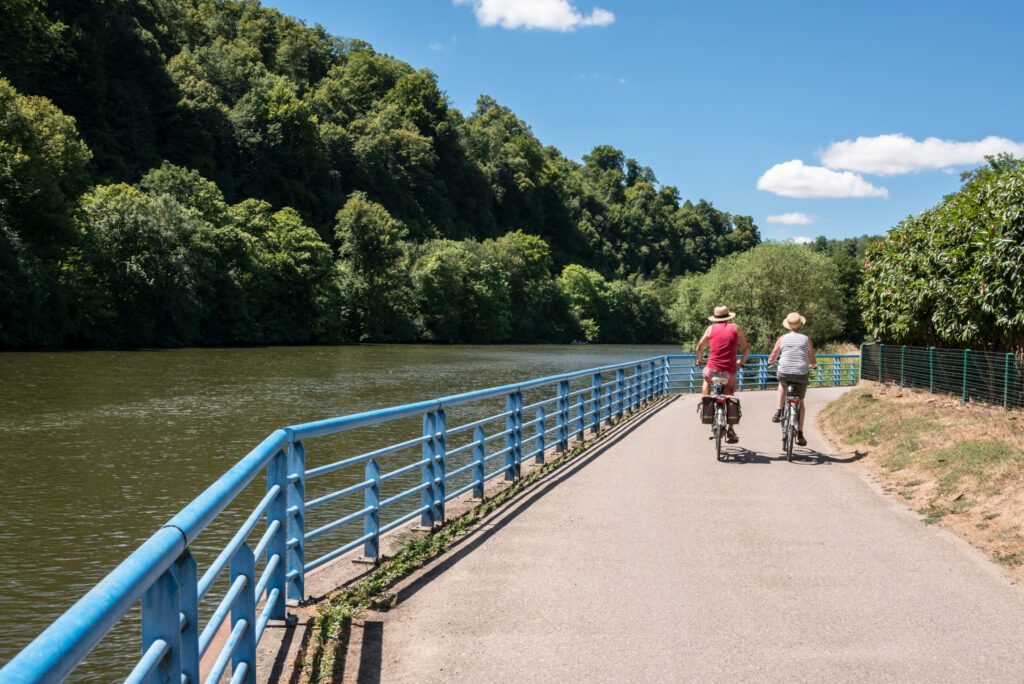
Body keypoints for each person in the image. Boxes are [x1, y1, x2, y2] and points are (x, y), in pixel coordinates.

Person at [694, 306, 750, 443]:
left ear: (715, 318)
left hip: (712, 369)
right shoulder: (736, 328)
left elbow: (699, 348)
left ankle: (706, 403)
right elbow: (746, 348)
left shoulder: (710, 329)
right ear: (728, 316)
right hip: (729, 371)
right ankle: (731, 429)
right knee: (730, 395)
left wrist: (700, 359)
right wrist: (741, 362)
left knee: (706, 380)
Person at [767, 312, 817, 446]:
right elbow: (811, 355)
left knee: (782, 385)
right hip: (801, 373)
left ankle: (778, 410)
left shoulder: (782, 338)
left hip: (785, 372)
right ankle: (800, 433)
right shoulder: (806, 339)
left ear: (788, 325)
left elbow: (774, 353)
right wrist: (813, 364)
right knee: (800, 401)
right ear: (800, 324)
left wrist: (771, 361)